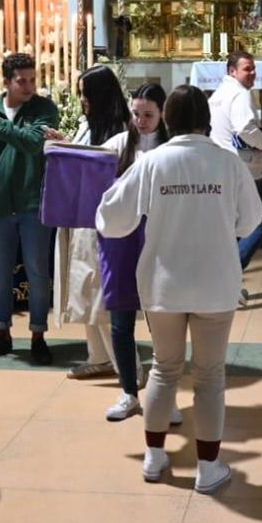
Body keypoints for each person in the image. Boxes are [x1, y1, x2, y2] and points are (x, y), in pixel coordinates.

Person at [97, 86, 262, 493]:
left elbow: (111, 218)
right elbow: (251, 219)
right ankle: (208, 466)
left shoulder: (153, 162)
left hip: (163, 282)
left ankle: (154, 457)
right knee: (209, 377)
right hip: (214, 282)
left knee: (164, 368)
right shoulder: (227, 162)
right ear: (206, 120)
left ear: (168, 119)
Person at [0, 52, 61, 365]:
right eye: (22, 80)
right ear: (7, 82)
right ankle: (2, 333)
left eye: (33, 79)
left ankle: (38, 336)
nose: (30, 85)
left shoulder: (44, 109)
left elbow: (32, 142)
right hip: (0, 204)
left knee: (37, 270)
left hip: (33, 203)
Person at [54, 66, 132, 380]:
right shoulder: (91, 124)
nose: (82, 100)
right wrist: (63, 144)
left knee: (101, 293)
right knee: (84, 288)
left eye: (86, 93)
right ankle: (98, 356)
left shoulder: (123, 131)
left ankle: (128, 367)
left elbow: (112, 168)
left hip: (105, 219)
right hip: (81, 215)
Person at [99, 83, 170, 421]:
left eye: (149, 115)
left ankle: (164, 395)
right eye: (136, 113)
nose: (140, 121)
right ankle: (129, 392)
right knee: (121, 320)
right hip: (121, 242)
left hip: (158, 241)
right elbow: (89, 168)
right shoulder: (117, 144)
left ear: (163, 113)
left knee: (163, 321)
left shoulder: (171, 148)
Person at [209, 51, 262, 272]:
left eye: (253, 68)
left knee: (232, 224)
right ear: (232, 71)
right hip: (243, 168)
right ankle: (231, 271)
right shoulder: (239, 94)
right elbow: (245, 129)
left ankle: (225, 270)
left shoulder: (219, 94)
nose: (253, 73)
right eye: (247, 69)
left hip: (221, 164)